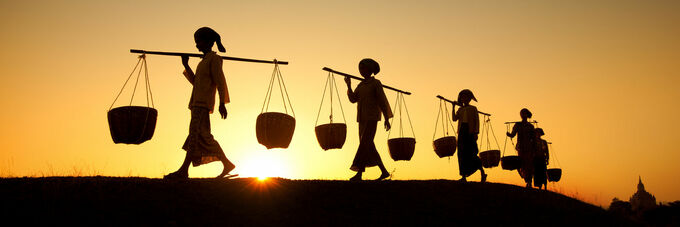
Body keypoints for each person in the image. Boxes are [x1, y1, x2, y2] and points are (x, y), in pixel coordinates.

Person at [164, 27, 235, 179]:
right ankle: (226, 163)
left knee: (196, 135)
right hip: (196, 103)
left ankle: (183, 170)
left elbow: (220, 82)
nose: (197, 45)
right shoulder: (203, 62)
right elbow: (197, 83)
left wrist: (222, 103)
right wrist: (186, 65)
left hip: (203, 104)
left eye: (199, 41)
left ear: (209, 42)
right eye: (196, 42)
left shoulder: (214, 59)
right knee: (199, 136)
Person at [344, 58, 393, 181]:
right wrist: (349, 85)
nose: (361, 71)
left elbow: (382, 101)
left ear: (370, 70)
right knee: (368, 146)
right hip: (361, 119)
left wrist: (386, 118)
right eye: (360, 68)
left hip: (372, 118)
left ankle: (359, 173)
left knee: (365, 144)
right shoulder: (360, 85)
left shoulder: (375, 84)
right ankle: (384, 171)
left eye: (363, 68)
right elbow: (353, 99)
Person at [451, 89, 487, 182]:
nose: (464, 99)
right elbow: (454, 119)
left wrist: (476, 133)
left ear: (470, 99)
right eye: (462, 97)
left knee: (472, 153)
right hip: (462, 132)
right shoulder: (460, 109)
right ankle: (463, 176)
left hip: (470, 132)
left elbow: (476, 121)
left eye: (466, 97)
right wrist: (453, 107)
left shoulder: (473, 109)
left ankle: (482, 172)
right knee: (462, 153)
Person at [506, 108, 537, 188]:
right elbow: (513, 134)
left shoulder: (530, 126)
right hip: (521, 148)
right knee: (522, 164)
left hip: (529, 148)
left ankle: (529, 181)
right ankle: (527, 180)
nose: (522, 115)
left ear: (527, 115)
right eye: (521, 114)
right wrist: (509, 134)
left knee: (529, 165)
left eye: (524, 113)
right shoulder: (517, 125)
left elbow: (533, 138)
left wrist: (534, 149)